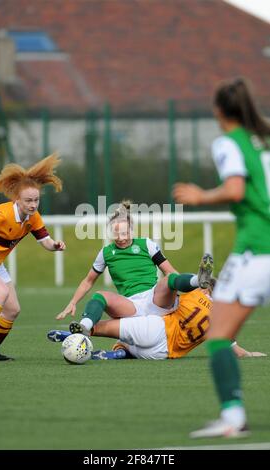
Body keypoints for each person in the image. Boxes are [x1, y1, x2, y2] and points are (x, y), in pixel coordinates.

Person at [174, 77, 270, 438]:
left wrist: (200, 197)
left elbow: (235, 189)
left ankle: (232, 418)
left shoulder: (229, 143)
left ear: (218, 111)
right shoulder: (266, 139)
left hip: (257, 250)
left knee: (218, 336)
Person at [56, 200, 213, 335]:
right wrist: (73, 302)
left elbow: (170, 271)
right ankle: (84, 328)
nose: (121, 238)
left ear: (132, 230)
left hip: (156, 299)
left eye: (125, 233)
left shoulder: (146, 244)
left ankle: (198, 280)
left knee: (169, 279)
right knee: (100, 295)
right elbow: (88, 281)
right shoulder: (106, 253)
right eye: (117, 234)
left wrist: (195, 289)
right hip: (130, 305)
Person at [48, 281, 266, 361]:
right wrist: (249, 354)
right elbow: (230, 344)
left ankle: (78, 335)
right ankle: (120, 352)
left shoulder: (195, 295)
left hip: (155, 330)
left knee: (101, 328)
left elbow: (171, 285)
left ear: (208, 289)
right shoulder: (222, 317)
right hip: (161, 354)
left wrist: (193, 281)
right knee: (129, 346)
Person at [0, 153, 66, 361]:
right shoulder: (0, 216)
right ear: (17, 199)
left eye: (36, 200)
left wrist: (56, 246)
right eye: (28, 201)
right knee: (1, 292)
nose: (33, 205)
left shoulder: (33, 218)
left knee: (13, 310)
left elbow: (45, 241)